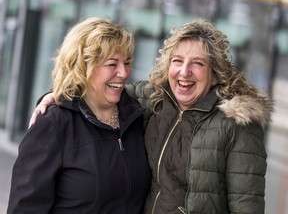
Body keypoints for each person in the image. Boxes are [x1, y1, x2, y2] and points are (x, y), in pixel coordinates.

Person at [29, 18, 273, 214]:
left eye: (197, 63)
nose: (184, 71)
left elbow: (247, 204)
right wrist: (56, 97)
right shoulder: (150, 99)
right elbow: (99, 88)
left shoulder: (237, 124)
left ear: (216, 73)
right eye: (177, 60)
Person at [7, 17, 151, 214]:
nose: (124, 72)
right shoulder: (53, 124)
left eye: (127, 62)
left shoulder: (135, 118)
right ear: (84, 67)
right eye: (112, 64)